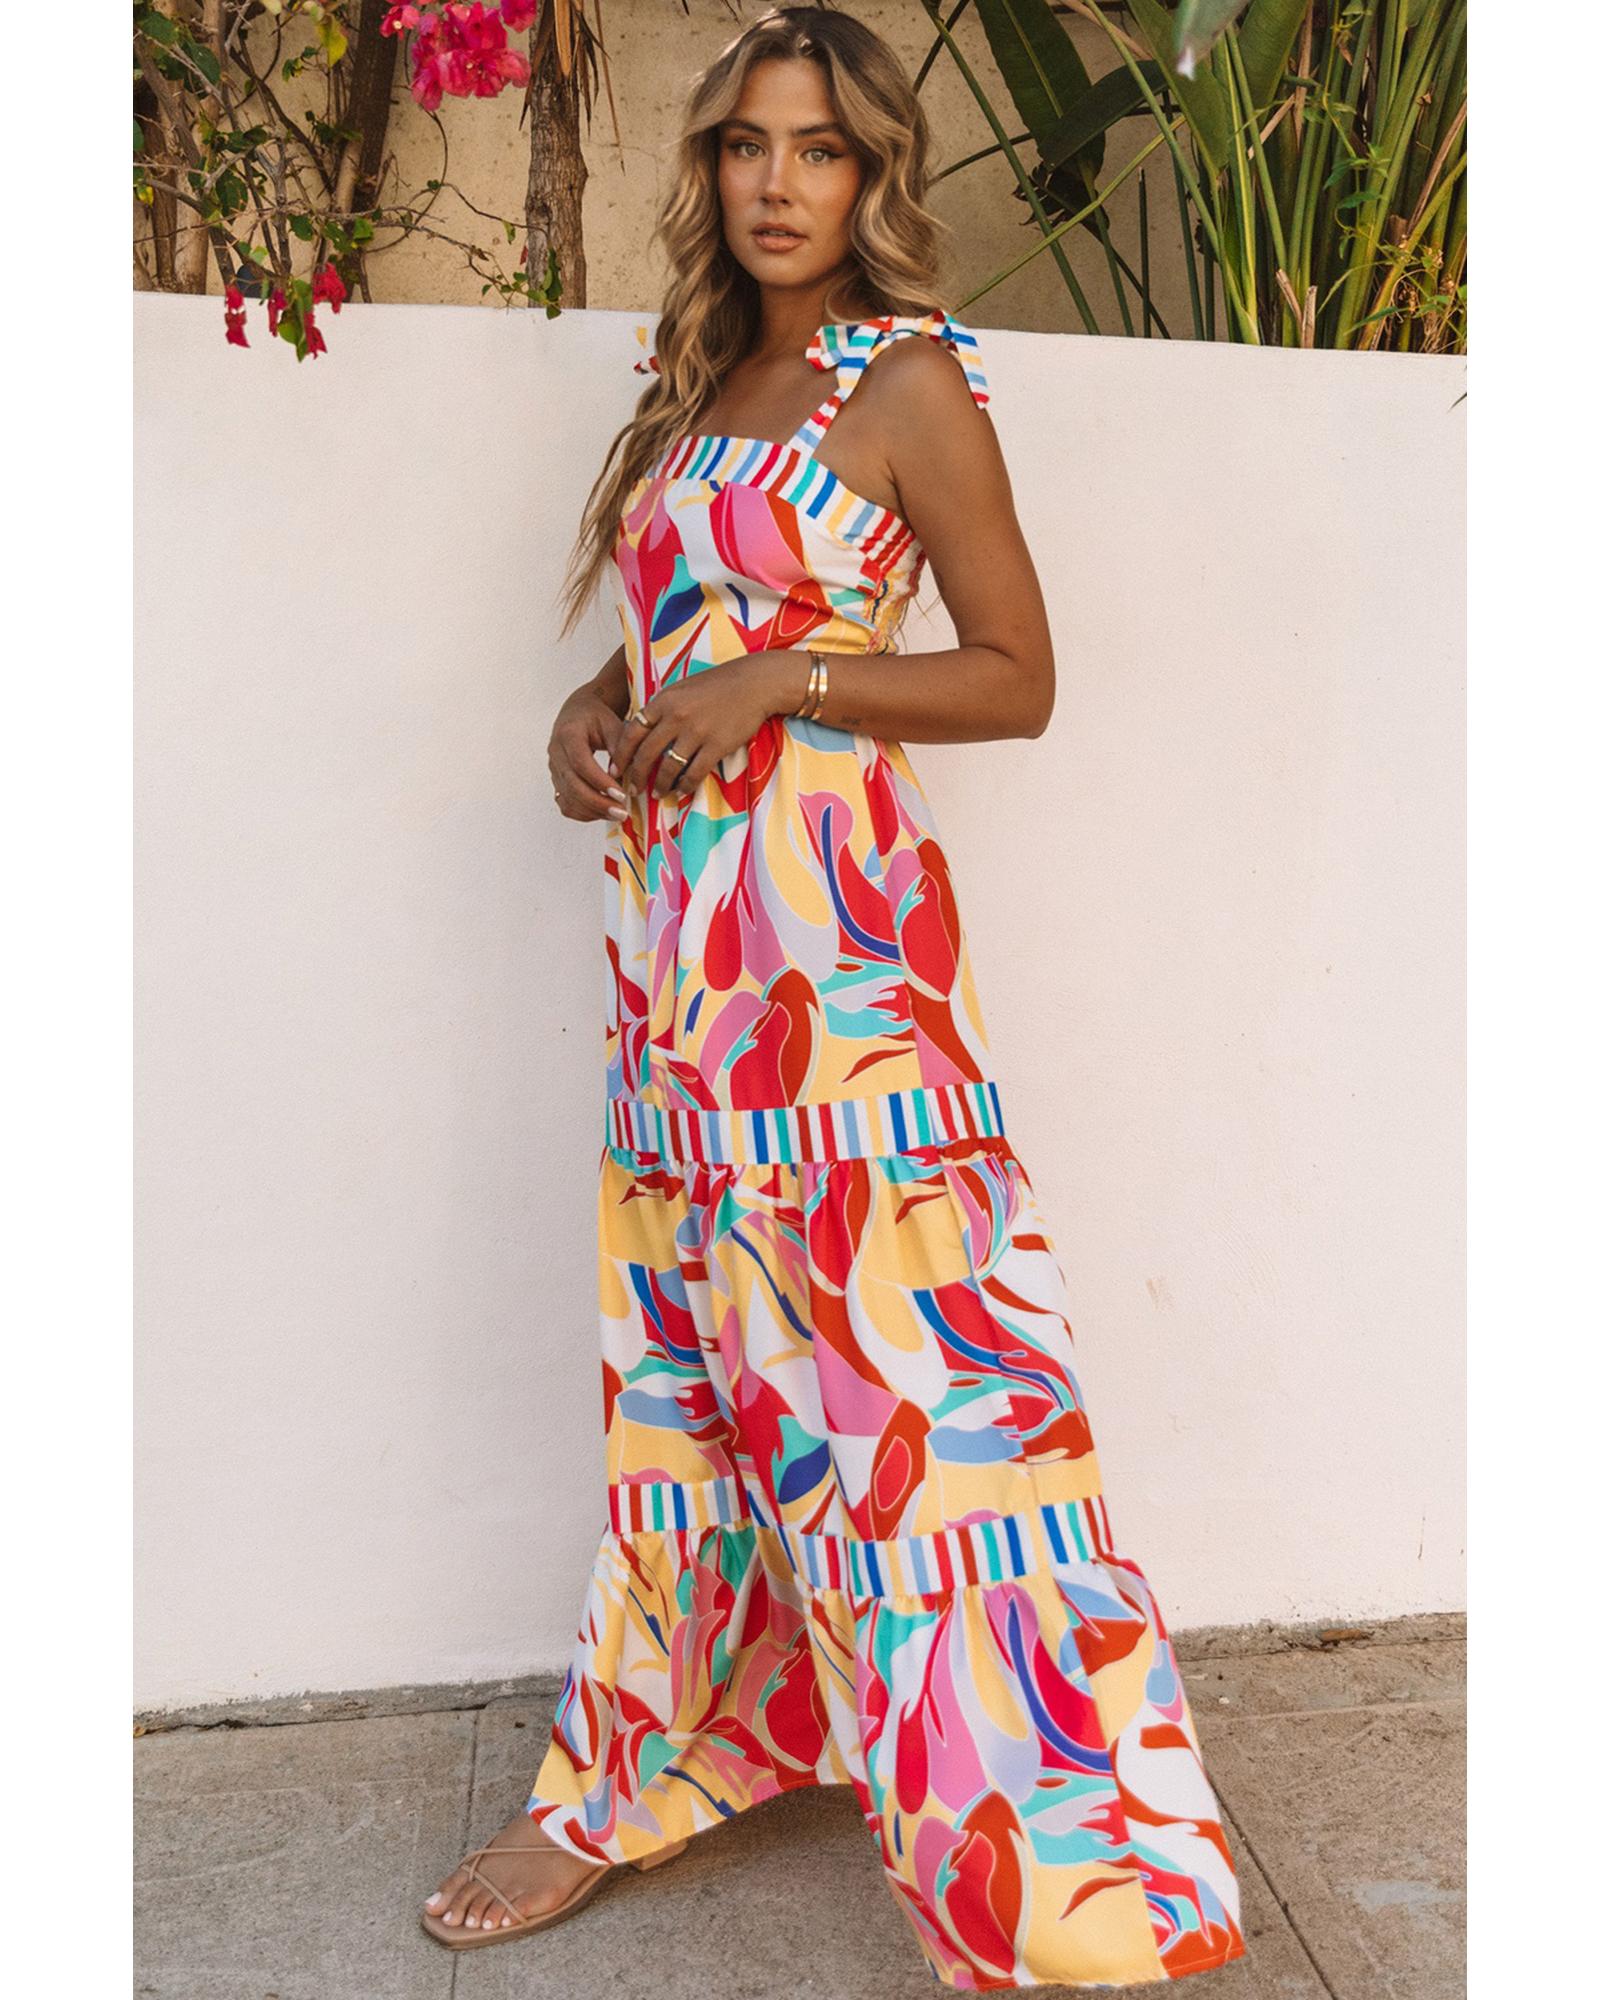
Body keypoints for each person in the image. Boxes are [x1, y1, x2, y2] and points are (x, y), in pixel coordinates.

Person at [422, 6, 1246, 1988]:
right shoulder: (700, 374)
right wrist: (600, 705)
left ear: (874, 176)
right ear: (710, 170)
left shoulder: (906, 382)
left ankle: (1055, 1851)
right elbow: (683, 632)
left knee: (915, 1371)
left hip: (838, 957)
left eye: (818, 150)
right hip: (680, 953)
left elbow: (1015, 674)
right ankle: (636, 1769)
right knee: (692, 1368)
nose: (776, 183)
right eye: (745, 147)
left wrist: (780, 681)